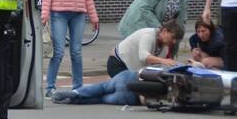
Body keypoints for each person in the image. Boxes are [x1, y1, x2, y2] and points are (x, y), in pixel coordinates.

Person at [54, 20, 184, 105]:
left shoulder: (164, 47)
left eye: (175, 41)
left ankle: (74, 95)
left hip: (132, 76)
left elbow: (152, 67)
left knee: (104, 88)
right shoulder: (148, 35)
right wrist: (164, 61)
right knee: (103, 95)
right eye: (172, 38)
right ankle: (73, 97)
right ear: (165, 31)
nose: (173, 42)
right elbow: (144, 56)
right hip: (118, 63)